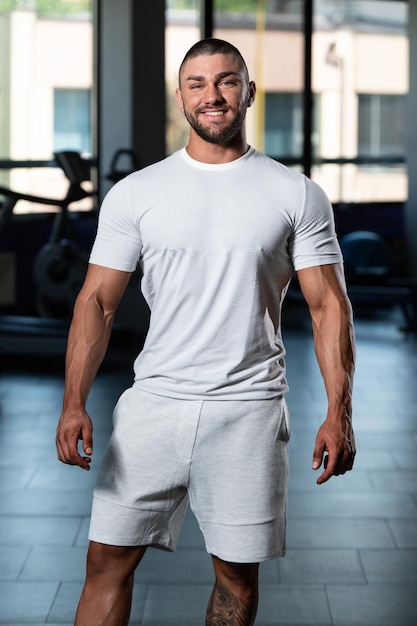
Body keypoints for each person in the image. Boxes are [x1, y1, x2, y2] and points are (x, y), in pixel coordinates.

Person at [56, 38, 356, 626]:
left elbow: (329, 307)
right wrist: (73, 403)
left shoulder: (294, 193)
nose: (212, 95)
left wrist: (339, 411)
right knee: (105, 561)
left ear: (248, 91)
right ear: (181, 97)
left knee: (236, 575)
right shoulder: (138, 193)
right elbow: (96, 301)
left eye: (226, 81)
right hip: (154, 406)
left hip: (248, 410)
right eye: (197, 83)